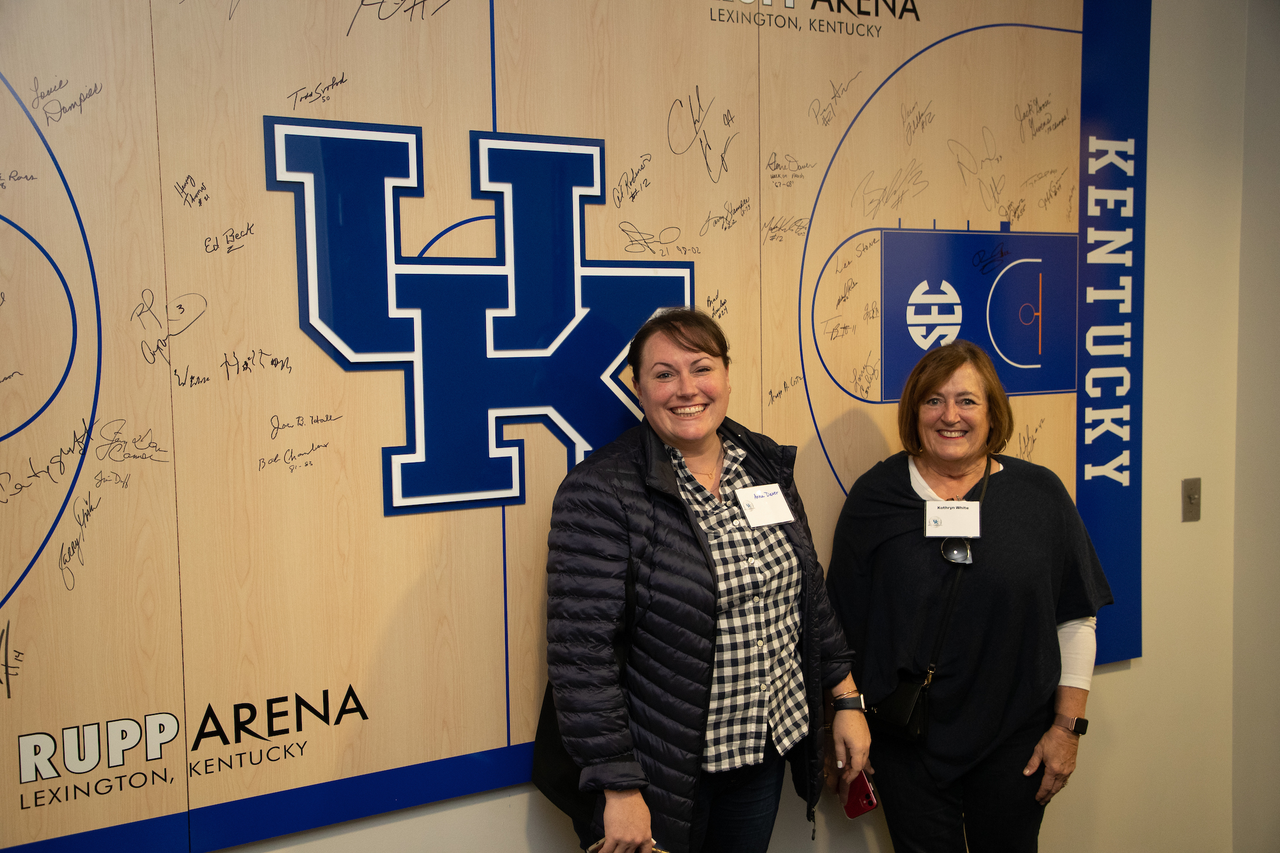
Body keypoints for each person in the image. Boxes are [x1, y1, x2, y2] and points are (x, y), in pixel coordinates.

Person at [544, 308, 871, 853]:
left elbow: (806, 593)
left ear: (725, 374)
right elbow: (582, 656)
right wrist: (618, 786)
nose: (686, 389)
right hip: (663, 772)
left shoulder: (762, 464)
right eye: (664, 373)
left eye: (701, 367)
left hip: (762, 753)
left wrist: (846, 700)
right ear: (638, 386)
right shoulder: (600, 492)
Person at [825, 340, 1112, 853]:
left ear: (991, 411)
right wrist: (841, 719)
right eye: (933, 400)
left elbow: (1075, 617)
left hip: (1014, 743)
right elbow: (838, 624)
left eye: (967, 400)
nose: (949, 415)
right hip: (906, 739)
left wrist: (1067, 729)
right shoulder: (876, 497)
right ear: (915, 411)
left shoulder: (1039, 495)